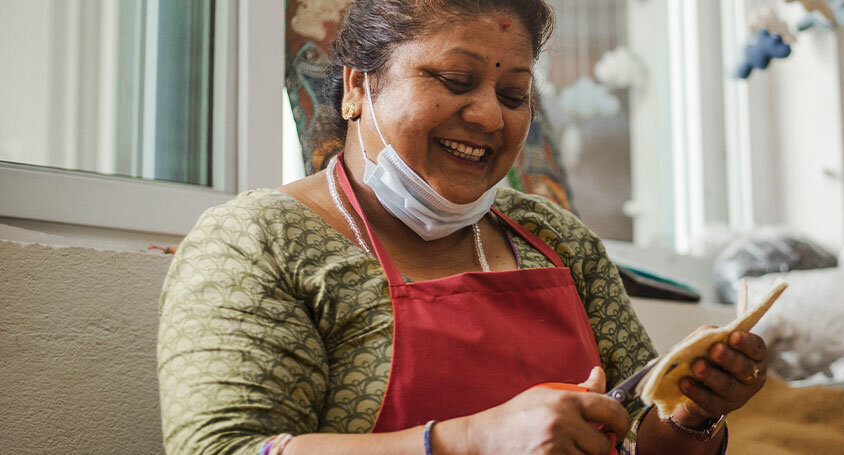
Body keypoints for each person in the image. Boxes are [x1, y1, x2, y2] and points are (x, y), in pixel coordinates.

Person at [157, 1, 768, 454]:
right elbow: (226, 449)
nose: (489, 117)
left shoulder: (556, 239)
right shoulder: (259, 241)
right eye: (455, 81)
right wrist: (471, 441)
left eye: (514, 95)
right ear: (356, 86)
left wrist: (691, 414)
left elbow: (638, 439)